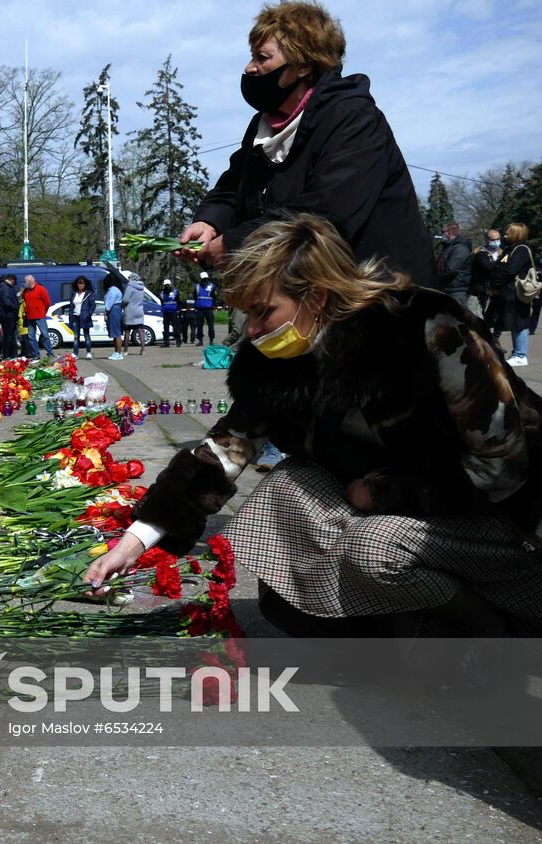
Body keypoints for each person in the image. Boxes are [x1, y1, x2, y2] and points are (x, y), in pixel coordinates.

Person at [86, 213, 542, 638]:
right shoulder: (276, 358)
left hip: (501, 516)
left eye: (264, 311)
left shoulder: (424, 329)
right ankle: (413, 618)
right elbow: (227, 449)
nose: (251, 330)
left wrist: (386, 492)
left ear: (317, 296)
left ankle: (487, 632)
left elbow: (502, 465)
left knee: (373, 548)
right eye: (247, 314)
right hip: (392, 510)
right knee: (283, 504)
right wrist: (136, 540)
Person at [177, 1, 434, 289]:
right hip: (308, 293)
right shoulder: (263, 125)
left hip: (380, 297)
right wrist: (211, 224)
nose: (250, 68)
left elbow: (322, 218)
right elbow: (230, 190)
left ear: (303, 65)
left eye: (263, 57)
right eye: (251, 57)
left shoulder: (353, 119)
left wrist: (235, 243)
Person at [484, 223, 535, 367]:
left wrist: (496, 281)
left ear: (516, 235)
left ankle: (520, 354)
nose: (504, 236)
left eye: (507, 234)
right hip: (508, 293)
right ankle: (517, 353)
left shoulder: (521, 250)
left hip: (517, 293)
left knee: (520, 322)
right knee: (514, 322)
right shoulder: (510, 249)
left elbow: (509, 270)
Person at [437, 222, 473, 309]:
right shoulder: (449, 246)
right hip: (448, 288)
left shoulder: (460, 248)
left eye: (443, 232)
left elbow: (451, 269)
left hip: (456, 289)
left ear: (449, 232)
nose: (441, 234)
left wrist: (438, 278)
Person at [467, 230, 501, 323]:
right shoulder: (480, 253)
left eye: (498, 239)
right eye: (493, 239)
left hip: (497, 288)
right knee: (484, 313)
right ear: (487, 240)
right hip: (483, 289)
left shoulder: (502, 252)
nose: (496, 241)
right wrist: (501, 265)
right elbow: (488, 267)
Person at [21, 275, 54, 359]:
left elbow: (47, 303)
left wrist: (42, 312)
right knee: (31, 337)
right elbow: (24, 302)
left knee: (45, 335)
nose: (24, 283)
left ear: (30, 281)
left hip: (40, 317)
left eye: (25, 281)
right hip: (29, 317)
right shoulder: (25, 291)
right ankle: (36, 354)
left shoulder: (41, 289)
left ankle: (50, 353)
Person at [69, 276, 97, 359]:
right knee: (76, 336)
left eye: (82, 283)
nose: (80, 285)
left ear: (85, 284)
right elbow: (71, 305)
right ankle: (75, 353)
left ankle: (88, 352)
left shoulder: (89, 293)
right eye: (79, 283)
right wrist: (70, 315)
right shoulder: (74, 293)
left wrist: (89, 314)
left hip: (85, 317)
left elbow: (93, 305)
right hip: (75, 317)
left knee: (86, 335)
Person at [0, 274, 22, 359]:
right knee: (9, 335)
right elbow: (7, 302)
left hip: (4, 314)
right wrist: (16, 307)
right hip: (8, 315)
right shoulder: (6, 288)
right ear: (12, 280)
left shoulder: (1, 287)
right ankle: (8, 354)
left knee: (9, 335)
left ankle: (11, 353)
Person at [123, 274, 147, 355]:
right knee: (140, 330)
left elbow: (125, 300)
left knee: (127, 331)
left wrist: (122, 305)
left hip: (130, 310)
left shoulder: (130, 287)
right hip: (139, 310)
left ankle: (125, 350)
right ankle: (143, 349)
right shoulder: (142, 287)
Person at [193, 271, 217, 345]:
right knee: (199, 325)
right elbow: (195, 296)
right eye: (203, 278)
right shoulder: (197, 287)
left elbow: (214, 297)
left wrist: (213, 305)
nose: (205, 280)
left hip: (209, 309)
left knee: (211, 325)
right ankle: (200, 340)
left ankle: (211, 340)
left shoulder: (212, 286)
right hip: (200, 309)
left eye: (206, 278)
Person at [103, 279, 125, 361]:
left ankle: (118, 353)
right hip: (115, 309)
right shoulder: (116, 289)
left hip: (114, 310)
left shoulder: (113, 290)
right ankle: (116, 352)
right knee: (114, 332)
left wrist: (106, 311)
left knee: (116, 333)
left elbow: (109, 302)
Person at [159, 279, 183, 347]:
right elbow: (162, 302)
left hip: (173, 311)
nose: (167, 286)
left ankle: (178, 341)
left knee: (176, 327)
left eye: (168, 285)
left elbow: (179, 301)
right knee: (166, 328)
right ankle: (166, 342)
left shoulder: (175, 292)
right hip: (165, 312)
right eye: (166, 285)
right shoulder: (161, 293)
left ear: (170, 285)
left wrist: (178, 310)